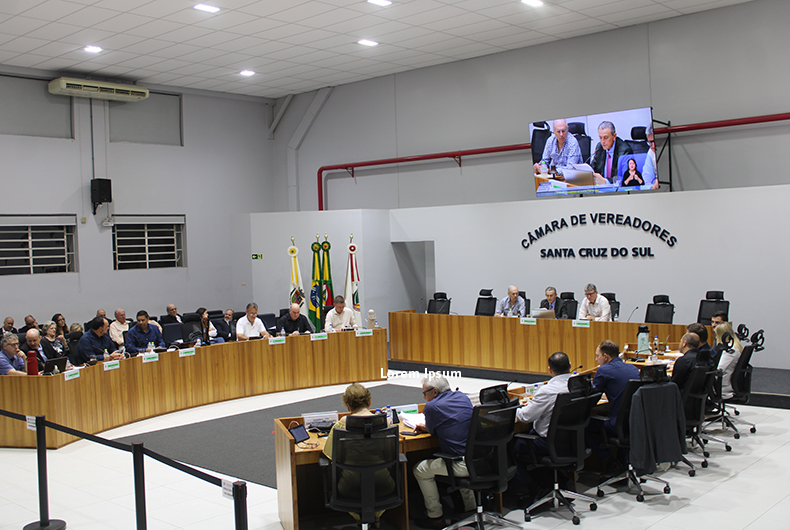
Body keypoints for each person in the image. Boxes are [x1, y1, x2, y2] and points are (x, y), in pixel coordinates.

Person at [322, 383, 395, 524]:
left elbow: (330, 454)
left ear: (348, 406)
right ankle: (376, 518)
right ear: (369, 402)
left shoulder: (341, 426)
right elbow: (390, 453)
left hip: (350, 488)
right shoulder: (385, 424)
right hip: (384, 485)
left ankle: (361, 520)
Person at [413, 374, 476, 528]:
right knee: (458, 454)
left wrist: (426, 427)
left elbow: (432, 431)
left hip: (462, 464)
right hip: (481, 459)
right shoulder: (462, 397)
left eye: (425, 393)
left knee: (420, 470)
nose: (424, 397)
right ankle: (471, 509)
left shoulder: (432, 407)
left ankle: (435, 517)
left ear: (434, 392)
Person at [512, 352, 573, 495]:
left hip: (547, 443)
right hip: (572, 441)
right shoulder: (578, 385)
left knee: (510, 447)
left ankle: (532, 488)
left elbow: (525, 417)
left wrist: (509, 411)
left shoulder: (548, 391)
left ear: (549, 370)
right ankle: (563, 480)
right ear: (570, 366)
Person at [588, 340, 640, 471]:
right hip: (635, 422)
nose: (596, 360)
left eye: (598, 356)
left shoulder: (603, 370)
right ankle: (622, 464)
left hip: (616, 424)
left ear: (606, 356)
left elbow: (592, 401)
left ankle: (611, 462)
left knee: (585, 425)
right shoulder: (633, 368)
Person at [591, 121, 633, 185]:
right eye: (600, 138)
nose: (602, 142)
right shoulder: (599, 147)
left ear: (614, 136)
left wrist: (606, 182)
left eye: (606, 138)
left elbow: (624, 176)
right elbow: (593, 168)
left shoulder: (625, 151)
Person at [715, 322, 744, 399]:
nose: (715, 337)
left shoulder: (730, 350)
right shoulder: (736, 346)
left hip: (722, 387)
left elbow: (719, 369)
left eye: (716, 335)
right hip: (726, 382)